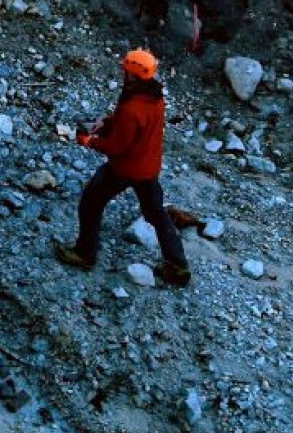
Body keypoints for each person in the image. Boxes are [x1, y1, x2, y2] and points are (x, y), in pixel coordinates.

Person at [53, 47, 191, 287]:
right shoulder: (154, 96)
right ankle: (178, 265)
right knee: (156, 214)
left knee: (91, 202)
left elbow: (117, 146)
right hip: (148, 166)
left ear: (132, 74)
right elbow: (135, 127)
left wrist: (90, 141)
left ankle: (85, 254)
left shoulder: (132, 106)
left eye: (125, 70)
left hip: (126, 169)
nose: (122, 73)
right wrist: (106, 122)